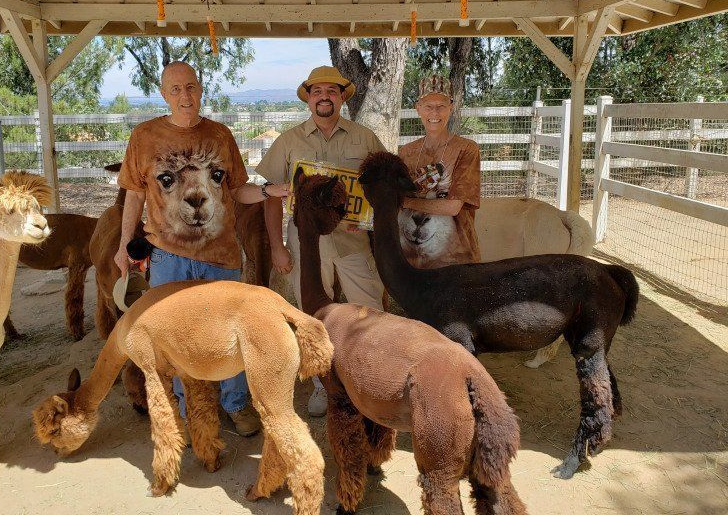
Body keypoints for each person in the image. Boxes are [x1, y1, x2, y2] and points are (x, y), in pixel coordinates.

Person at [115, 61, 289, 437]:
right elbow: (133, 193)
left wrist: (267, 191)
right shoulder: (144, 137)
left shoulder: (220, 136)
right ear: (163, 94)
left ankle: (236, 403)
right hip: (168, 255)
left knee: (231, 332)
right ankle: (189, 406)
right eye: (175, 89)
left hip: (219, 254)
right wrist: (123, 245)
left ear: (201, 89)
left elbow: (235, 190)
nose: (184, 96)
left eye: (191, 87)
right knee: (175, 336)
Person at [256, 66, 387, 417]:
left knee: (369, 308)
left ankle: (374, 379)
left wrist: (372, 222)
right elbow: (270, 195)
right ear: (309, 98)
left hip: (353, 241)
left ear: (342, 97)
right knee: (312, 315)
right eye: (317, 91)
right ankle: (321, 385)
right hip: (306, 244)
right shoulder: (289, 140)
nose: (324, 97)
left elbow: (381, 188)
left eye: (332, 91)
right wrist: (277, 246)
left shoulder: (365, 139)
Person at [398, 74, 481, 268]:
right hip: (412, 261)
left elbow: (453, 207)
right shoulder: (406, 152)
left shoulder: (466, 149)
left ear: (450, 108)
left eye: (441, 106)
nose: (434, 112)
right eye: (428, 106)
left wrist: (407, 202)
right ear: (418, 108)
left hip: (457, 260)